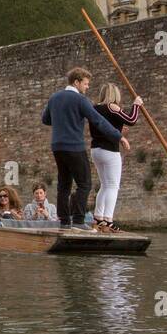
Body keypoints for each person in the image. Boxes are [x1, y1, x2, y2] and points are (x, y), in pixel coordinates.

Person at [41, 66, 121, 229]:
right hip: (74, 146)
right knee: (84, 184)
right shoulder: (80, 100)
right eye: (85, 83)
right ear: (76, 82)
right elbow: (97, 121)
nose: (87, 87)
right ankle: (78, 221)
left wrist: (62, 120)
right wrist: (118, 136)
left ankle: (64, 222)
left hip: (57, 147)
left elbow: (46, 119)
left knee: (63, 185)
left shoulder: (54, 97)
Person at [90, 82, 142, 233]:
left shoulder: (94, 108)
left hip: (95, 150)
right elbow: (131, 120)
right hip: (109, 151)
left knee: (104, 185)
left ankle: (98, 218)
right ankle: (108, 220)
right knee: (113, 186)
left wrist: (119, 129)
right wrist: (136, 105)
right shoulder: (112, 107)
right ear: (114, 95)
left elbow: (108, 124)